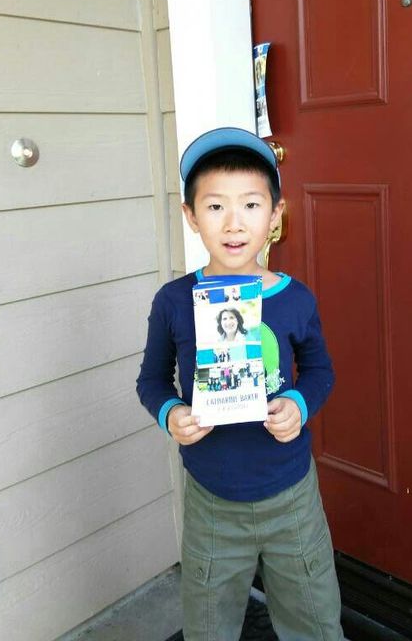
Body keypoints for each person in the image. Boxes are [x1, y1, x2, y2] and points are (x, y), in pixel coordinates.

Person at [136, 127, 343, 640]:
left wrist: (298, 403)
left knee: (314, 619)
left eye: (251, 205)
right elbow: (152, 380)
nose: (233, 223)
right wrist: (171, 414)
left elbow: (320, 370)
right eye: (215, 207)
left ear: (275, 216)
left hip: (291, 495)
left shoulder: (295, 299)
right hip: (212, 501)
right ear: (191, 216)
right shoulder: (173, 301)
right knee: (209, 623)